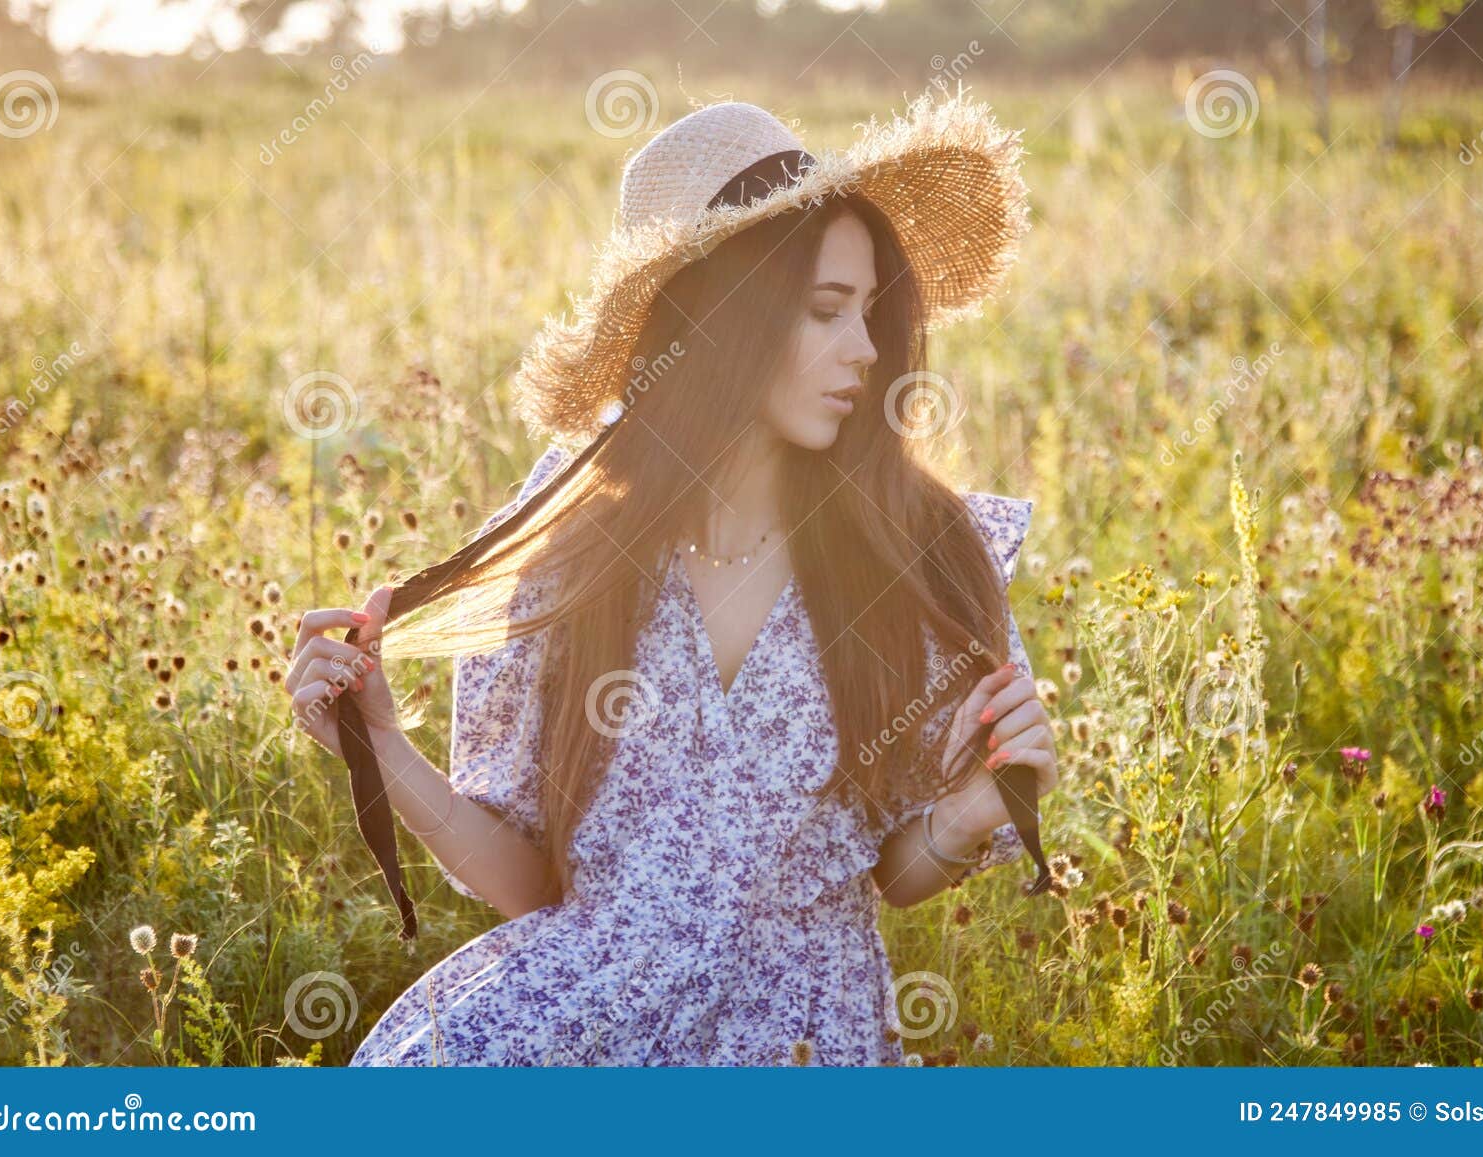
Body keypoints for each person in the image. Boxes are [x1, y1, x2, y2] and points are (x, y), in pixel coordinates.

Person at [284, 87, 1060, 1066]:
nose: (865, 348)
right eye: (825, 311)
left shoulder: (918, 547)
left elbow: (898, 874)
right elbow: (531, 880)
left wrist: (969, 812)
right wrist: (386, 744)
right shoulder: (579, 542)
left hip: (795, 1039)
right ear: (722, 321)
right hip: (582, 1008)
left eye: (867, 311)